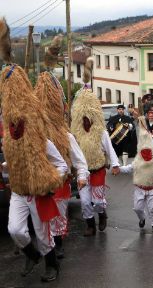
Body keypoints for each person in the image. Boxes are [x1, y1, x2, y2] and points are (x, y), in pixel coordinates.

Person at [0, 24, 67, 281]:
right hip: (19, 190)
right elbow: (13, 158)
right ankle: (31, 255)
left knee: (43, 233)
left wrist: (52, 181)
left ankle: (52, 264)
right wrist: (7, 165)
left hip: (38, 191)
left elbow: (61, 166)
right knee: (15, 230)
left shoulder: (41, 139)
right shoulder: (10, 140)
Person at [34, 36, 89, 259]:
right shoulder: (35, 136)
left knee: (58, 215)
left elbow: (79, 160)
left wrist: (82, 174)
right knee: (41, 218)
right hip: (39, 185)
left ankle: (57, 244)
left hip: (60, 184)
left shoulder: (65, 135)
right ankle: (45, 246)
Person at [71, 58, 120, 237]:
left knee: (97, 201)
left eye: (88, 118)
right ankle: (90, 225)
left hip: (98, 169)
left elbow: (109, 148)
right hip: (83, 173)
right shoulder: (75, 134)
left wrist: (115, 164)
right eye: (82, 118)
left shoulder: (101, 132)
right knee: (85, 202)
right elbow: (71, 153)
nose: (85, 121)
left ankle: (102, 214)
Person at [119, 116, 153, 232]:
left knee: (152, 208)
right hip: (139, 188)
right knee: (137, 208)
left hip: (151, 188)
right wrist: (117, 168)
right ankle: (142, 218)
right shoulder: (137, 162)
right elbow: (128, 168)